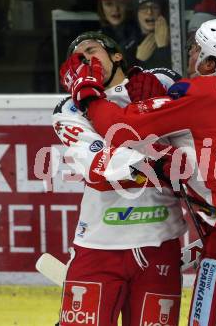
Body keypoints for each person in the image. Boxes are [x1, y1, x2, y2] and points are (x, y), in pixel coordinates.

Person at [64, 19, 216, 325]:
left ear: (210, 62)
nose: (190, 55)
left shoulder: (198, 91)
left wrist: (86, 92)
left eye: (195, 50)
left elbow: (119, 129)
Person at [55, 31, 187, 326]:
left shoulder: (160, 83)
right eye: (76, 58)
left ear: (117, 56)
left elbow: (198, 134)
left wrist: (160, 104)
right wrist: (157, 153)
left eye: (91, 49)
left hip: (159, 242)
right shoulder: (69, 109)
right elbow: (99, 170)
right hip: (99, 245)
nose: (85, 60)